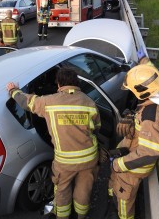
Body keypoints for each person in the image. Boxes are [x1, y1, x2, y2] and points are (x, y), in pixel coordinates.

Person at [6, 68, 101, 219]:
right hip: (89, 158)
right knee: (84, 190)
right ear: (76, 83)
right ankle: (81, 216)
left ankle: (62, 217)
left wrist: (13, 90)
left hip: (65, 162)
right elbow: (96, 128)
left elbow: (26, 102)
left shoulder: (49, 102)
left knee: (62, 191)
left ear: (59, 85)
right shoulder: (89, 103)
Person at [107, 63, 159, 219]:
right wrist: (132, 117)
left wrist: (118, 164)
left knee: (124, 201)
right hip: (131, 155)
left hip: (132, 169)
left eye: (133, 90)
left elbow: (149, 152)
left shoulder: (150, 117)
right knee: (116, 185)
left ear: (142, 90)